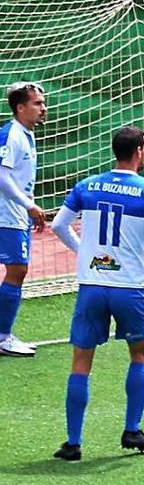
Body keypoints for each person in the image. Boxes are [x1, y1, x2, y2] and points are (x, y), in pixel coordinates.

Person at [50, 126, 144, 461]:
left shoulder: (86, 186)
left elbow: (57, 225)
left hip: (92, 285)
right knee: (140, 354)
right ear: (140, 150)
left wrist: (83, 250)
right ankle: (132, 430)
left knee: (81, 361)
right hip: (129, 287)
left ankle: (72, 442)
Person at [0, 82, 47, 357]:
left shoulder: (24, 134)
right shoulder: (12, 136)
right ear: (20, 108)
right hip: (7, 215)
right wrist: (30, 206)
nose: (43, 108)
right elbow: (2, 177)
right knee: (17, 269)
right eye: (37, 104)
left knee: (17, 269)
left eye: (42, 103)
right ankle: (3, 336)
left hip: (14, 215)